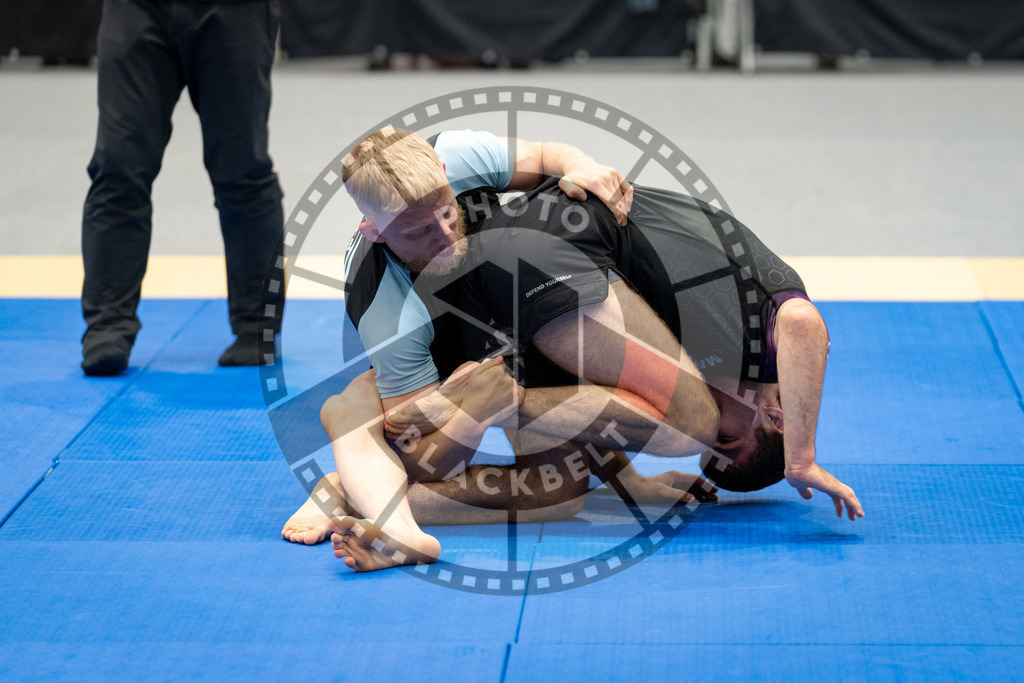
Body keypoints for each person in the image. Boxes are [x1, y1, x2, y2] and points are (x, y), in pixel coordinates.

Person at [284, 128, 863, 571]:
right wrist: (801, 460)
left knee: (556, 495)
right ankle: (360, 436)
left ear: (443, 172)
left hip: (506, 302)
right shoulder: (389, 309)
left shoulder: (455, 155)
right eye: (418, 230)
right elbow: (440, 456)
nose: (444, 233)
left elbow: (547, 160)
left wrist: (586, 168)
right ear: (374, 231)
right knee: (685, 422)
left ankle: (353, 484)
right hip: (497, 300)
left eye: (446, 210)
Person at [80, 0, 285, 376]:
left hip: (236, 11)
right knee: (118, 166)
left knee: (242, 168)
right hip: (137, 8)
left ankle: (256, 327)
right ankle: (106, 327)